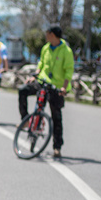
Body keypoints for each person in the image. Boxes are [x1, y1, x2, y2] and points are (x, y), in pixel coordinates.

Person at [18, 25, 73, 158]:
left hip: (56, 87)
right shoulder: (46, 48)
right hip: (42, 82)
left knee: (56, 117)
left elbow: (68, 71)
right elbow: (41, 65)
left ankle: (57, 147)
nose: (45, 36)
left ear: (53, 34)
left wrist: (64, 88)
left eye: (47, 33)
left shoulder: (66, 51)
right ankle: (25, 120)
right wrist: (34, 76)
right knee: (23, 90)